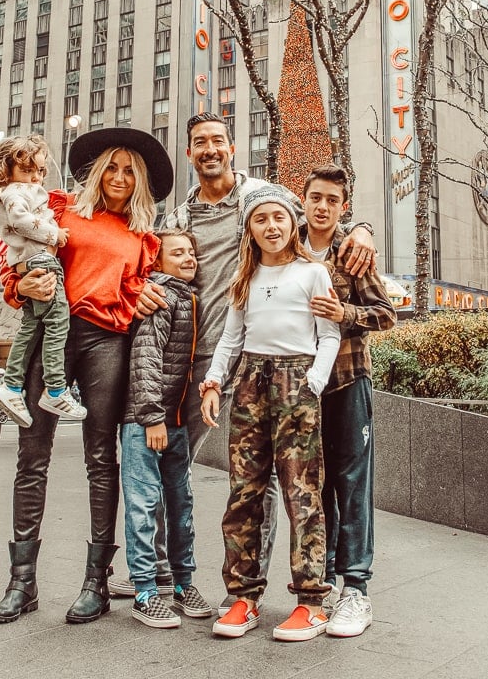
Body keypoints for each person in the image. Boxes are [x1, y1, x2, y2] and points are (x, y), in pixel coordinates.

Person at [112, 112, 376, 600]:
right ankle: (161, 570)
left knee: (279, 478)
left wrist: (362, 229)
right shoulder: (179, 217)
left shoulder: (262, 199)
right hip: (198, 357)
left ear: (232, 149)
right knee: (173, 462)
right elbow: (155, 264)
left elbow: (323, 214)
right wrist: (145, 290)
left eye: (218, 141)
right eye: (199, 143)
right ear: (190, 153)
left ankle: (263, 587)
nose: (210, 149)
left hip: (268, 360)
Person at [0, 126, 173, 628]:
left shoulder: (142, 238)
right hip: (52, 331)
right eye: (110, 167)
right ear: (95, 173)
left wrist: (144, 298)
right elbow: (18, 254)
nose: (118, 177)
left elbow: (138, 292)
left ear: (140, 184)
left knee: (100, 459)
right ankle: (21, 583)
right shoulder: (59, 210)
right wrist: (19, 285)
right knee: (32, 456)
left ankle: (96, 582)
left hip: (105, 343)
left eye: (128, 171)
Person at [201, 185, 340, 642]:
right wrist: (215, 381)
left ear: (293, 223)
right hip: (250, 385)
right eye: (261, 220)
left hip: (297, 381)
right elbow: (231, 338)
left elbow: (330, 335)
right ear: (249, 229)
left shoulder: (313, 273)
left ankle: (312, 601)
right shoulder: (245, 277)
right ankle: (244, 597)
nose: (271, 227)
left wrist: (313, 382)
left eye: (279, 218)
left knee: (303, 493)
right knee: (244, 492)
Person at [303, 163, 396, 638]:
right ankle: (319, 583)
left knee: (351, 483)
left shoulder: (352, 252)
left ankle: (355, 588)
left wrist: (346, 312)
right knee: (313, 487)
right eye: (315, 197)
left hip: (347, 382)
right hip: (297, 389)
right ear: (305, 198)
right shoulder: (284, 244)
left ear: (343, 206)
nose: (322, 207)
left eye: (332, 201)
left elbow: (386, 314)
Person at [120, 230, 211, 629]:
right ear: (157, 262)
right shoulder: (160, 294)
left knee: (181, 506)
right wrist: (152, 416)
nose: (189, 257)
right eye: (178, 252)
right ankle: (144, 591)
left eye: (191, 252)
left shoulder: (186, 296)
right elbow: (146, 356)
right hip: (148, 423)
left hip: (175, 423)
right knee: (143, 506)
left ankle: (182, 583)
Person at [0, 133, 85, 426]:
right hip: (41, 260)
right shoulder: (18, 193)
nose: (35, 178)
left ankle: (11, 385)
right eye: (28, 170)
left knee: (30, 327)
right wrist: (53, 235)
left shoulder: (26, 192)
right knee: (58, 322)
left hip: (33, 260)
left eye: (40, 171)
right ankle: (55, 388)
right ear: (9, 169)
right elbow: (20, 221)